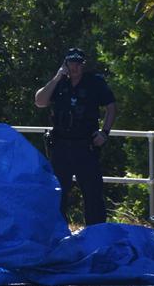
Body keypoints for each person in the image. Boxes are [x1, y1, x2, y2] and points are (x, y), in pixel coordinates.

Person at [34, 48, 117, 225]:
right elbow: (40, 101)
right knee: (58, 193)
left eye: (78, 63)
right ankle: (58, 235)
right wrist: (57, 78)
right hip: (61, 147)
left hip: (86, 146)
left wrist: (105, 132)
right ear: (65, 64)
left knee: (92, 193)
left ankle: (95, 235)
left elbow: (111, 107)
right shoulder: (60, 83)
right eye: (71, 63)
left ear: (83, 65)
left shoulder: (94, 83)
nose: (74, 67)